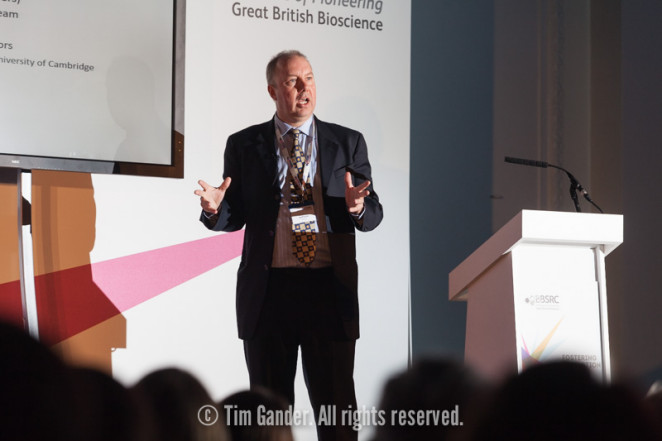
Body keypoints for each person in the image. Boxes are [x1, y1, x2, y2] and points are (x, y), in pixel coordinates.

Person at [195, 49, 383, 441]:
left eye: (309, 78)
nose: (304, 88)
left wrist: (358, 206)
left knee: (336, 415)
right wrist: (216, 209)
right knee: (266, 418)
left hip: (328, 292)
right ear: (272, 90)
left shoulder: (347, 142)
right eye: (293, 81)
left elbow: (372, 214)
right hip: (269, 293)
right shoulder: (244, 144)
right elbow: (236, 215)